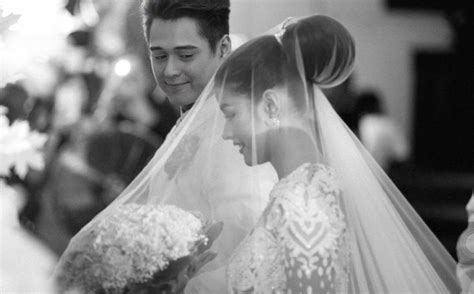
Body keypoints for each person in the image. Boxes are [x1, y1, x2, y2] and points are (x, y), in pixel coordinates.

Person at [213, 15, 460, 292]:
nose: (226, 132)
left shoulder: (304, 204)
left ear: (270, 105)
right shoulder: (299, 192)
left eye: (230, 113)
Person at [54, 0, 277, 293]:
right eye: (158, 56)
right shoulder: (192, 118)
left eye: (185, 55)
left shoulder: (233, 135)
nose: (170, 70)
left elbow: (242, 252)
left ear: (223, 49)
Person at [354, 90, 409, 171]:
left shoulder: (361, 123)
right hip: (383, 173)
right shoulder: (388, 124)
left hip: (359, 171)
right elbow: (402, 155)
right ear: (378, 105)